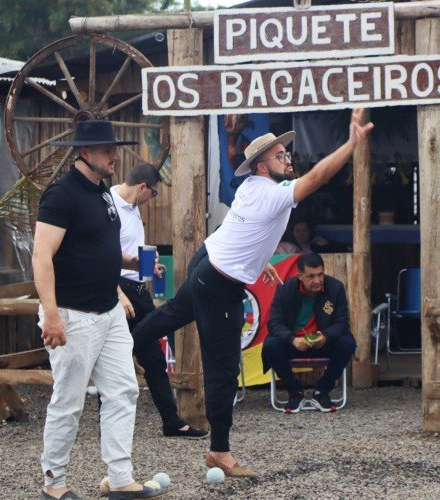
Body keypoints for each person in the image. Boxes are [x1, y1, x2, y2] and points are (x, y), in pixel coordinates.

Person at [131, 109, 373, 477]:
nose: (287, 157)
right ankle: (220, 452)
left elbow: (244, 231)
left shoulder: (250, 188)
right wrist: (351, 144)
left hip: (206, 260)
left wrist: (259, 261)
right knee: (223, 370)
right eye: (279, 155)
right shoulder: (272, 195)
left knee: (165, 319)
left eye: (286, 153)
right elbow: (318, 178)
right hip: (218, 284)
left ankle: (117, 344)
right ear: (261, 167)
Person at [33, 121, 166, 499]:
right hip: (72, 315)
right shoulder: (60, 196)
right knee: (69, 400)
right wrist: (52, 314)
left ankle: (121, 480)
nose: (114, 155)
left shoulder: (104, 193)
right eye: (107, 149)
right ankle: (54, 485)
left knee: (124, 391)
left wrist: (133, 263)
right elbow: (42, 256)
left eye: (113, 148)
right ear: (85, 153)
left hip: (108, 312)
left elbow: (98, 250)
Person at [111, 163, 208, 439]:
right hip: (117, 288)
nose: (153, 199)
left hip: (139, 289)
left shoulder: (134, 208)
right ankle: (109, 423)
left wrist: (149, 268)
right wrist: (115, 290)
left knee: (153, 356)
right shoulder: (109, 205)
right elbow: (100, 254)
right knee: (114, 354)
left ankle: (171, 421)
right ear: (142, 188)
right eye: (153, 193)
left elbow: (129, 249)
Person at [262, 252, 356, 413]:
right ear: (299, 276)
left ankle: (322, 390)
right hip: (294, 343)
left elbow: (342, 323)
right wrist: (293, 340)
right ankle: (294, 392)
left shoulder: (335, 287)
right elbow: (274, 323)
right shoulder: (285, 288)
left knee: (348, 342)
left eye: (320, 274)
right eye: (311, 276)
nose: (317, 280)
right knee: (271, 345)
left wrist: (325, 337)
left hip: (322, 342)